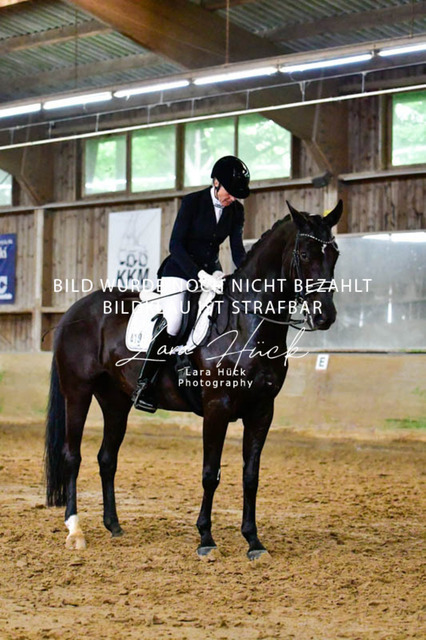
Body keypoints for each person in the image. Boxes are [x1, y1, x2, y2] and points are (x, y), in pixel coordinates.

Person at [132, 155, 250, 412]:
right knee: (175, 321)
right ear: (216, 182)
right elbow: (175, 245)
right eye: (230, 192)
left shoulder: (236, 211)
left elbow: (237, 251)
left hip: (212, 273)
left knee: (220, 315)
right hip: (179, 270)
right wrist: (199, 275)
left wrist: (246, 275)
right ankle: (145, 383)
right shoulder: (192, 202)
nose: (232, 198)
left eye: (236, 195)